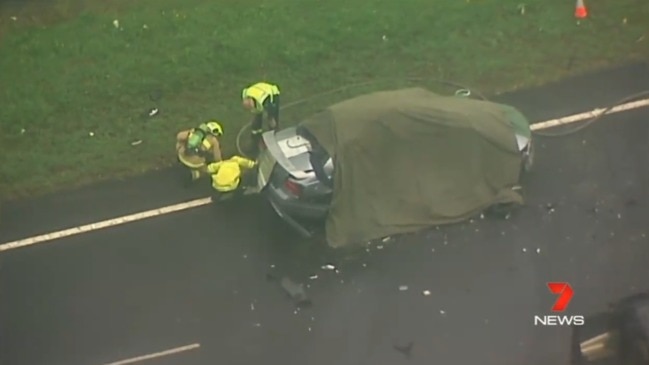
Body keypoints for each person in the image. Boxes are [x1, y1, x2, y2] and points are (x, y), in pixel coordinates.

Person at [241, 82, 281, 147]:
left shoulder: (265, 101)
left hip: (272, 94)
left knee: (272, 118)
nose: (251, 110)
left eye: (251, 107)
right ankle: (256, 137)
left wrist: (271, 118)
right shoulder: (245, 93)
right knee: (257, 117)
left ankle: (274, 135)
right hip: (259, 91)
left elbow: (271, 115)